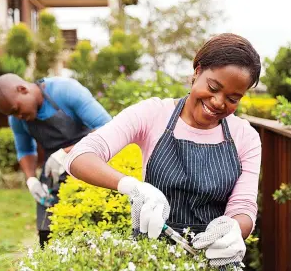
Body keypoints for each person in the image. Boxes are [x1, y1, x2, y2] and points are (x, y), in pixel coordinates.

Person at [64, 33, 262, 267]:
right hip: (151, 258)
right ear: (197, 71)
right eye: (213, 87)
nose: (219, 102)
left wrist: (234, 228)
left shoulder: (245, 136)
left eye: (232, 98)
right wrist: (133, 187)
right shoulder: (152, 114)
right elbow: (80, 156)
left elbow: (244, 206)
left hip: (215, 259)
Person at [0, 74, 112, 248]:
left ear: (23, 89)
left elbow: (107, 127)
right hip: (52, 172)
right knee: (47, 235)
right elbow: (25, 150)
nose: (17, 117)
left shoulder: (66, 91)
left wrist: (66, 154)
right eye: (12, 114)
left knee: (86, 232)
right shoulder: (17, 119)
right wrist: (31, 179)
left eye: (16, 110)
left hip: (88, 162)